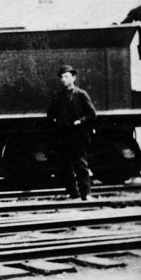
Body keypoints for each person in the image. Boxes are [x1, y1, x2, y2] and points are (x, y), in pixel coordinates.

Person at [46, 64, 97, 200]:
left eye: (66, 76)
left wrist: (80, 121)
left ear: (73, 78)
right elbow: (50, 114)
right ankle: (73, 194)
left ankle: (86, 194)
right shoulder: (58, 96)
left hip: (78, 135)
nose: (63, 79)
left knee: (81, 165)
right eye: (61, 77)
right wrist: (57, 122)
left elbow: (92, 113)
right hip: (63, 135)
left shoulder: (81, 94)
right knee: (65, 166)